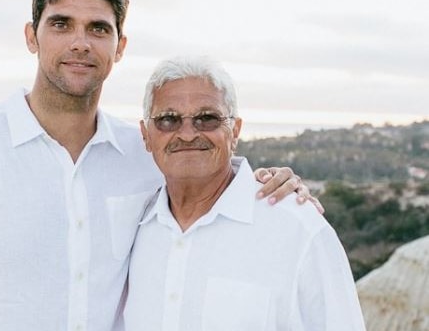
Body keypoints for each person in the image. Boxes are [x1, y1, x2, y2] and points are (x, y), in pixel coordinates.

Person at [0, 0, 319, 331]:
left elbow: (211, 188)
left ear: (120, 46)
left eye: (98, 29)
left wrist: (277, 184)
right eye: (61, 24)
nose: (80, 43)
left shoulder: (145, 155)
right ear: (32, 36)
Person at [123, 56, 366, 331]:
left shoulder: (299, 230)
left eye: (207, 118)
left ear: (235, 130)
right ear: (146, 134)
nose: (188, 133)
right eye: (168, 119)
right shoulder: (133, 228)